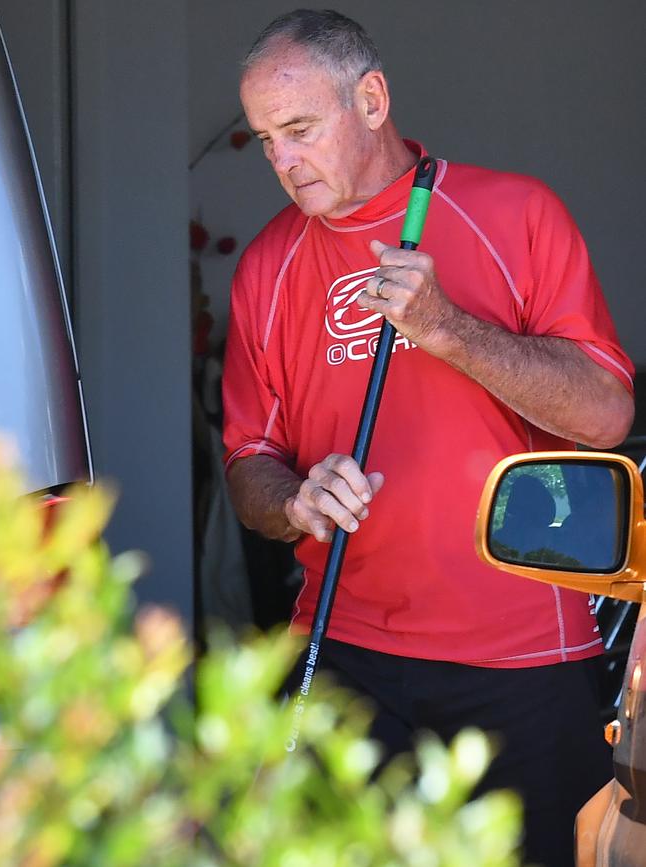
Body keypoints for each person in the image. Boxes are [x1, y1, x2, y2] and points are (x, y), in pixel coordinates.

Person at [221, 10, 635, 866]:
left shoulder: (513, 212)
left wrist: (449, 329)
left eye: (299, 129)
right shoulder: (266, 264)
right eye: (265, 140)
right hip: (345, 644)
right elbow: (245, 465)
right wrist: (294, 500)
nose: (283, 161)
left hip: (526, 650)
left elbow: (606, 415)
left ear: (371, 99)